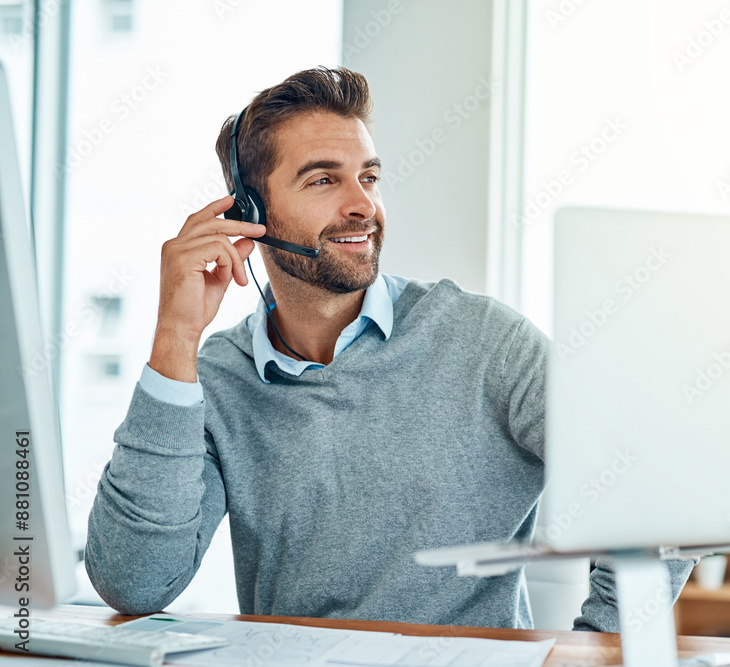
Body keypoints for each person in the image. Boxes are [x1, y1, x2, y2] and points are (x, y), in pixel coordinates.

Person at [84, 65, 692, 630]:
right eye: (324, 179)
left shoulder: (486, 343)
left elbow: (654, 498)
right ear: (249, 210)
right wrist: (175, 337)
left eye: (368, 177)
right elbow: (136, 583)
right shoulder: (217, 378)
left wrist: (596, 648)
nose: (363, 206)